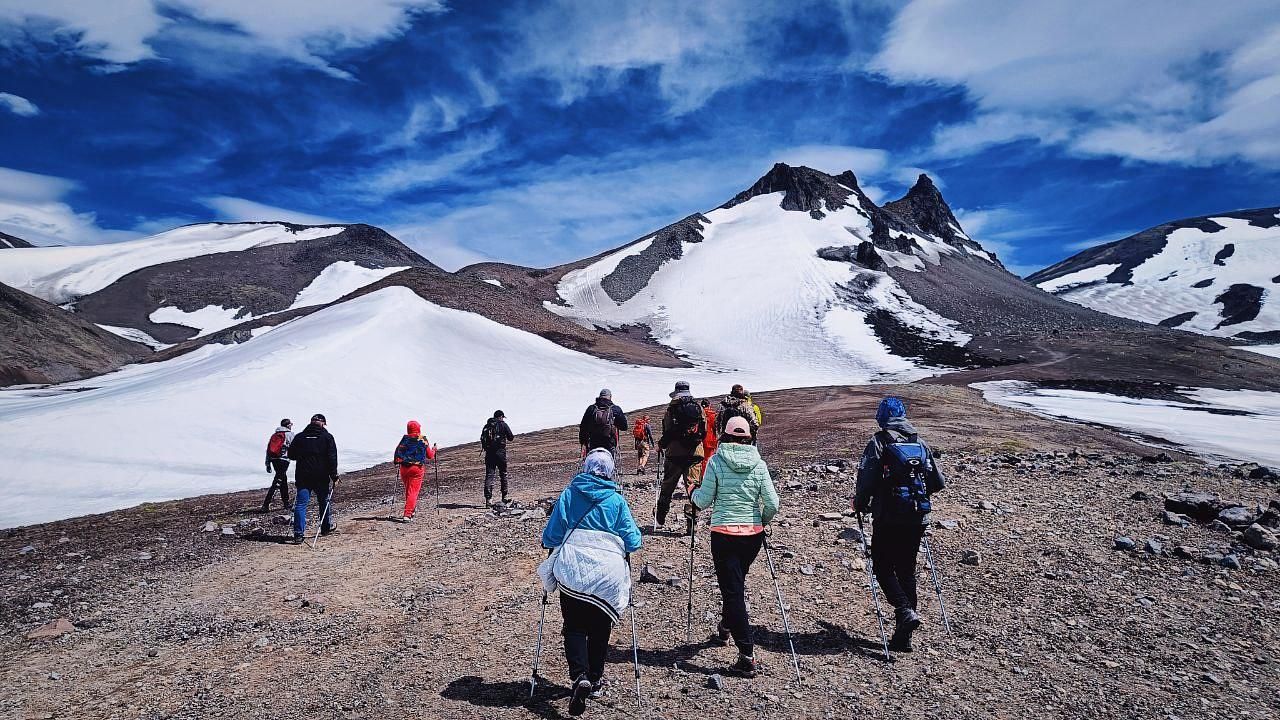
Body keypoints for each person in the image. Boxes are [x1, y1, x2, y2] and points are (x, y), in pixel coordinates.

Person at [538, 449, 642, 716]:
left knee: (573, 626)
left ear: (585, 468)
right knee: (600, 626)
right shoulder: (616, 501)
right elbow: (634, 541)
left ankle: (579, 676)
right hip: (607, 576)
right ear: (610, 472)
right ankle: (594, 679)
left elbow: (551, 537)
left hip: (573, 571)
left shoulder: (570, 494)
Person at [852, 397, 945, 652]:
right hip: (917, 516)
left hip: (888, 516)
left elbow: (866, 479)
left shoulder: (879, 442)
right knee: (906, 569)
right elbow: (937, 482)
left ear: (882, 417)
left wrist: (860, 503)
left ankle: (904, 611)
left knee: (882, 567)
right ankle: (903, 637)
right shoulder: (920, 441)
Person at [691, 416, 779, 678]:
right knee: (736, 583)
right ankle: (726, 626)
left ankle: (746, 655)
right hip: (752, 535)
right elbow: (773, 503)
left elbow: (703, 501)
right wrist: (760, 523)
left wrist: (692, 492)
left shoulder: (717, 461)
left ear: (725, 436)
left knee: (732, 591)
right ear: (749, 437)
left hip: (724, 533)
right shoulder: (759, 464)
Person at [656, 380, 706, 533]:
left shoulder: (671, 410)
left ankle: (661, 513)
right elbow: (703, 432)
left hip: (674, 453)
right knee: (693, 488)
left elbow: (669, 432)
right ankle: (692, 523)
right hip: (695, 454)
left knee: (668, 486)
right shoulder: (698, 409)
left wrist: (661, 444)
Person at [290, 413, 339, 544]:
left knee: (301, 504)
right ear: (322, 423)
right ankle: (325, 528)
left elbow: (291, 455)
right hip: (321, 476)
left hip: (303, 475)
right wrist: (334, 475)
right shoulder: (327, 437)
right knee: (324, 501)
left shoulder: (300, 437)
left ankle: (298, 534)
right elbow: (332, 457)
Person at [393, 420, 436, 522]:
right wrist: (434, 449)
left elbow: (398, 451)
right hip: (417, 469)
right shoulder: (423, 439)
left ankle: (411, 511)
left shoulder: (405, 439)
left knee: (409, 490)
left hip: (404, 468)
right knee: (413, 491)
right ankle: (407, 514)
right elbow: (430, 456)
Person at [578, 389, 628, 461]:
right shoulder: (615, 409)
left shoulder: (591, 409)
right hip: (609, 443)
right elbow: (624, 427)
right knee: (609, 463)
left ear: (600, 396)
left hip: (593, 442)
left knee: (592, 462)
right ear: (610, 397)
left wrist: (583, 441)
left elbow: (583, 426)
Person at [481, 410, 515, 505]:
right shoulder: (503, 424)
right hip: (500, 453)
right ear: (500, 417)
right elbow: (511, 437)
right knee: (503, 474)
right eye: (502, 417)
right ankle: (505, 497)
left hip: (489, 454)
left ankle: (488, 500)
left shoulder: (487, 426)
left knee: (489, 475)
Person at [262, 418, 294, 511]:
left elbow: (268, 450)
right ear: (288, 425)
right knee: (277, 481)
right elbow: (295, 447)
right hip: (284, 460)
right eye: (290, 424)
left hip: (274, 460)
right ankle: (266, 504)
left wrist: (267, 464)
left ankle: (286, 503)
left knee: (283, 479)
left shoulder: (274, 435)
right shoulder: (290, 435)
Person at [699, 399, 718, 477]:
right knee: (707, 459)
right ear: (709, 405)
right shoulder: (712, 415)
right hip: (709, 441)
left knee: (699, 460)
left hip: (699, 440)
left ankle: (698, 477)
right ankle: (705, 477)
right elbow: (715, 427)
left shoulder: (698, 414)